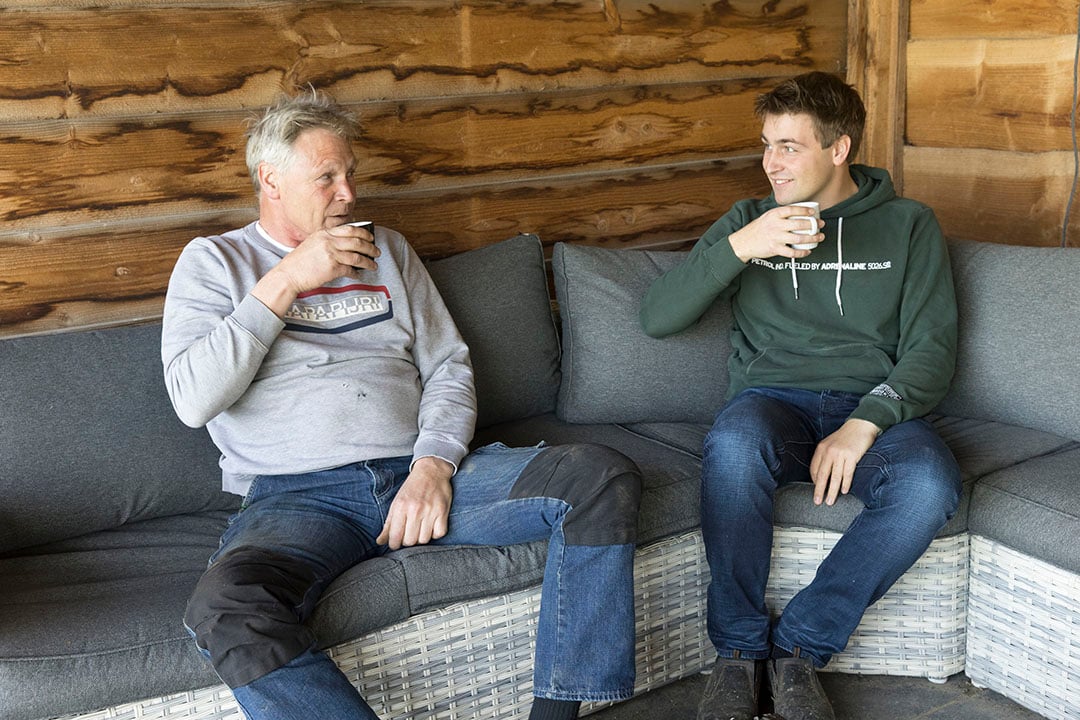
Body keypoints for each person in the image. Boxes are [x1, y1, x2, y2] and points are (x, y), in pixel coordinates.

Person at [161, 90, 642, 720]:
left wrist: (433, 466)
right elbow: (194, 401)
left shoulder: (387, 249)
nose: (349, 194)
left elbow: (448, 366)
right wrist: (285, 281)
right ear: (270, 180)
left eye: (350, 173)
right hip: (296, 497)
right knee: (228, 609)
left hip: (419, 474)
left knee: (599, 476)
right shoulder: (215, 262)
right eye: (327, 177)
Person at [639, 72, 961, 720]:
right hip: (772, 403)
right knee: (732, 445)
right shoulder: (747, 221)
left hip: (874, 404)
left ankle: (797, 649)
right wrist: (741, 246)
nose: (771, 163)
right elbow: (658, 316)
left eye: (789, 145)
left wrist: (866, 421)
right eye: (766, 144)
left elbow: (934, 349)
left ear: (839, 148)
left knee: (929, 482)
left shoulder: (908, 225)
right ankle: (736, 655)